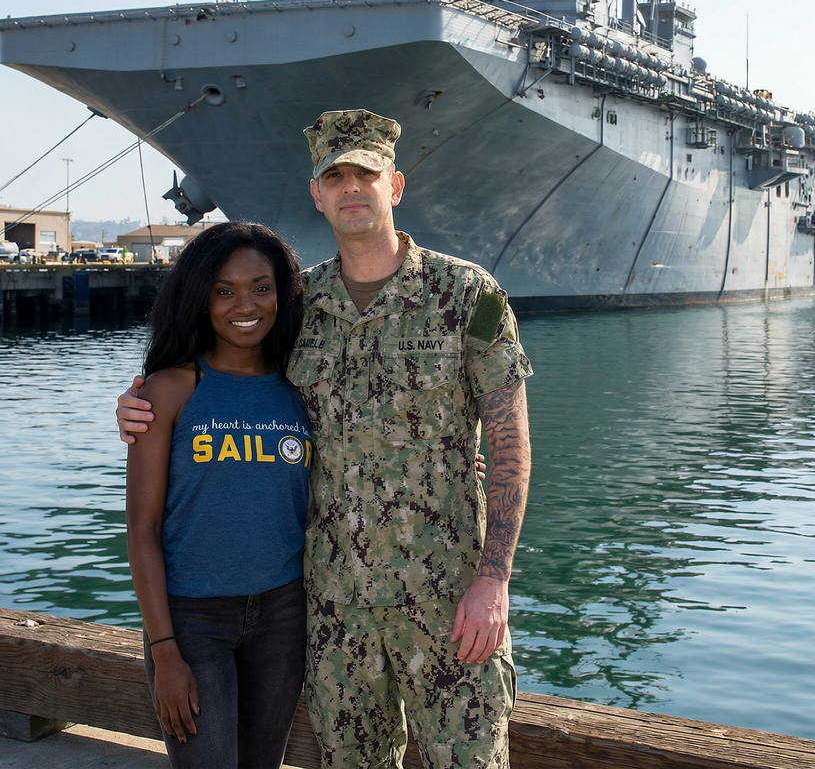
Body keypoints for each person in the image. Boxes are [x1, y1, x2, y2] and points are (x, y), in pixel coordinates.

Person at [119, 108, 532, 769]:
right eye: (333, 175)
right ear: (316, 193)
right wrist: (138, 404)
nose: (350, 187)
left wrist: (494, 580)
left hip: (449, 599)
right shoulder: (296, 306)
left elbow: (511, 447)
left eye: (365, 173)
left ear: (394, 186)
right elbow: (223, 371)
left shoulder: (466, 295)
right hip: (337, 614)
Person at [126, 221, 310, 769]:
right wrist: (164, 651)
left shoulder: (302, 389)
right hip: (192, 621)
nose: (244, 304)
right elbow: (141, 529)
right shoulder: (170, 390)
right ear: (200, 298)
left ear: (281, 294)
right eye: (224, 290)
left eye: (261, 286)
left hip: (283, 615)